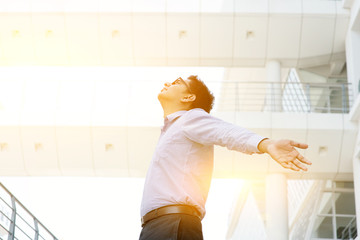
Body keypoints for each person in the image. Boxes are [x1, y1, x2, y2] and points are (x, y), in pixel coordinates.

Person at [139, 75, 312, 240]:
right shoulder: (171, 129)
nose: (168, 83)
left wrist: (265, 144)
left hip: (173, 224)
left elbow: (226, 132)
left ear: (188, 97)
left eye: (177, 81)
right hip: (157, 226)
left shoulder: (189, 118)